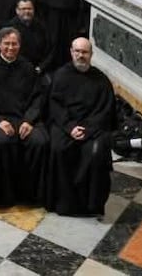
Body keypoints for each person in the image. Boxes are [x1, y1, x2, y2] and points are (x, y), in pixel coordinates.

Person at [45, 38, 115, 217]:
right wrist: (70, 127)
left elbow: (105, 111)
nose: (80, 55)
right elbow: (55, 105)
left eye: (84, 52)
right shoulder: (61, 75)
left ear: (91, 54)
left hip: (92, 128)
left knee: (95, 153)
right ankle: (64, 204)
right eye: (77, 51)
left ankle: (90, 205)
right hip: (65, 125)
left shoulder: (101, 80)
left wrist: (87, 130)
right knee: (59, 148)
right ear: (71, 52)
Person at [0, 27, 48, 207]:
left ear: (20, 45)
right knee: (2, 142)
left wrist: (29, 121)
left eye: (14, 44)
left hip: (25, 119)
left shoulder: (28, 67)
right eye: (7, 43)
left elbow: (37, 98)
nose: (11, 47)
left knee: (39, 142)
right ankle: (4, 196)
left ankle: (30, 195)